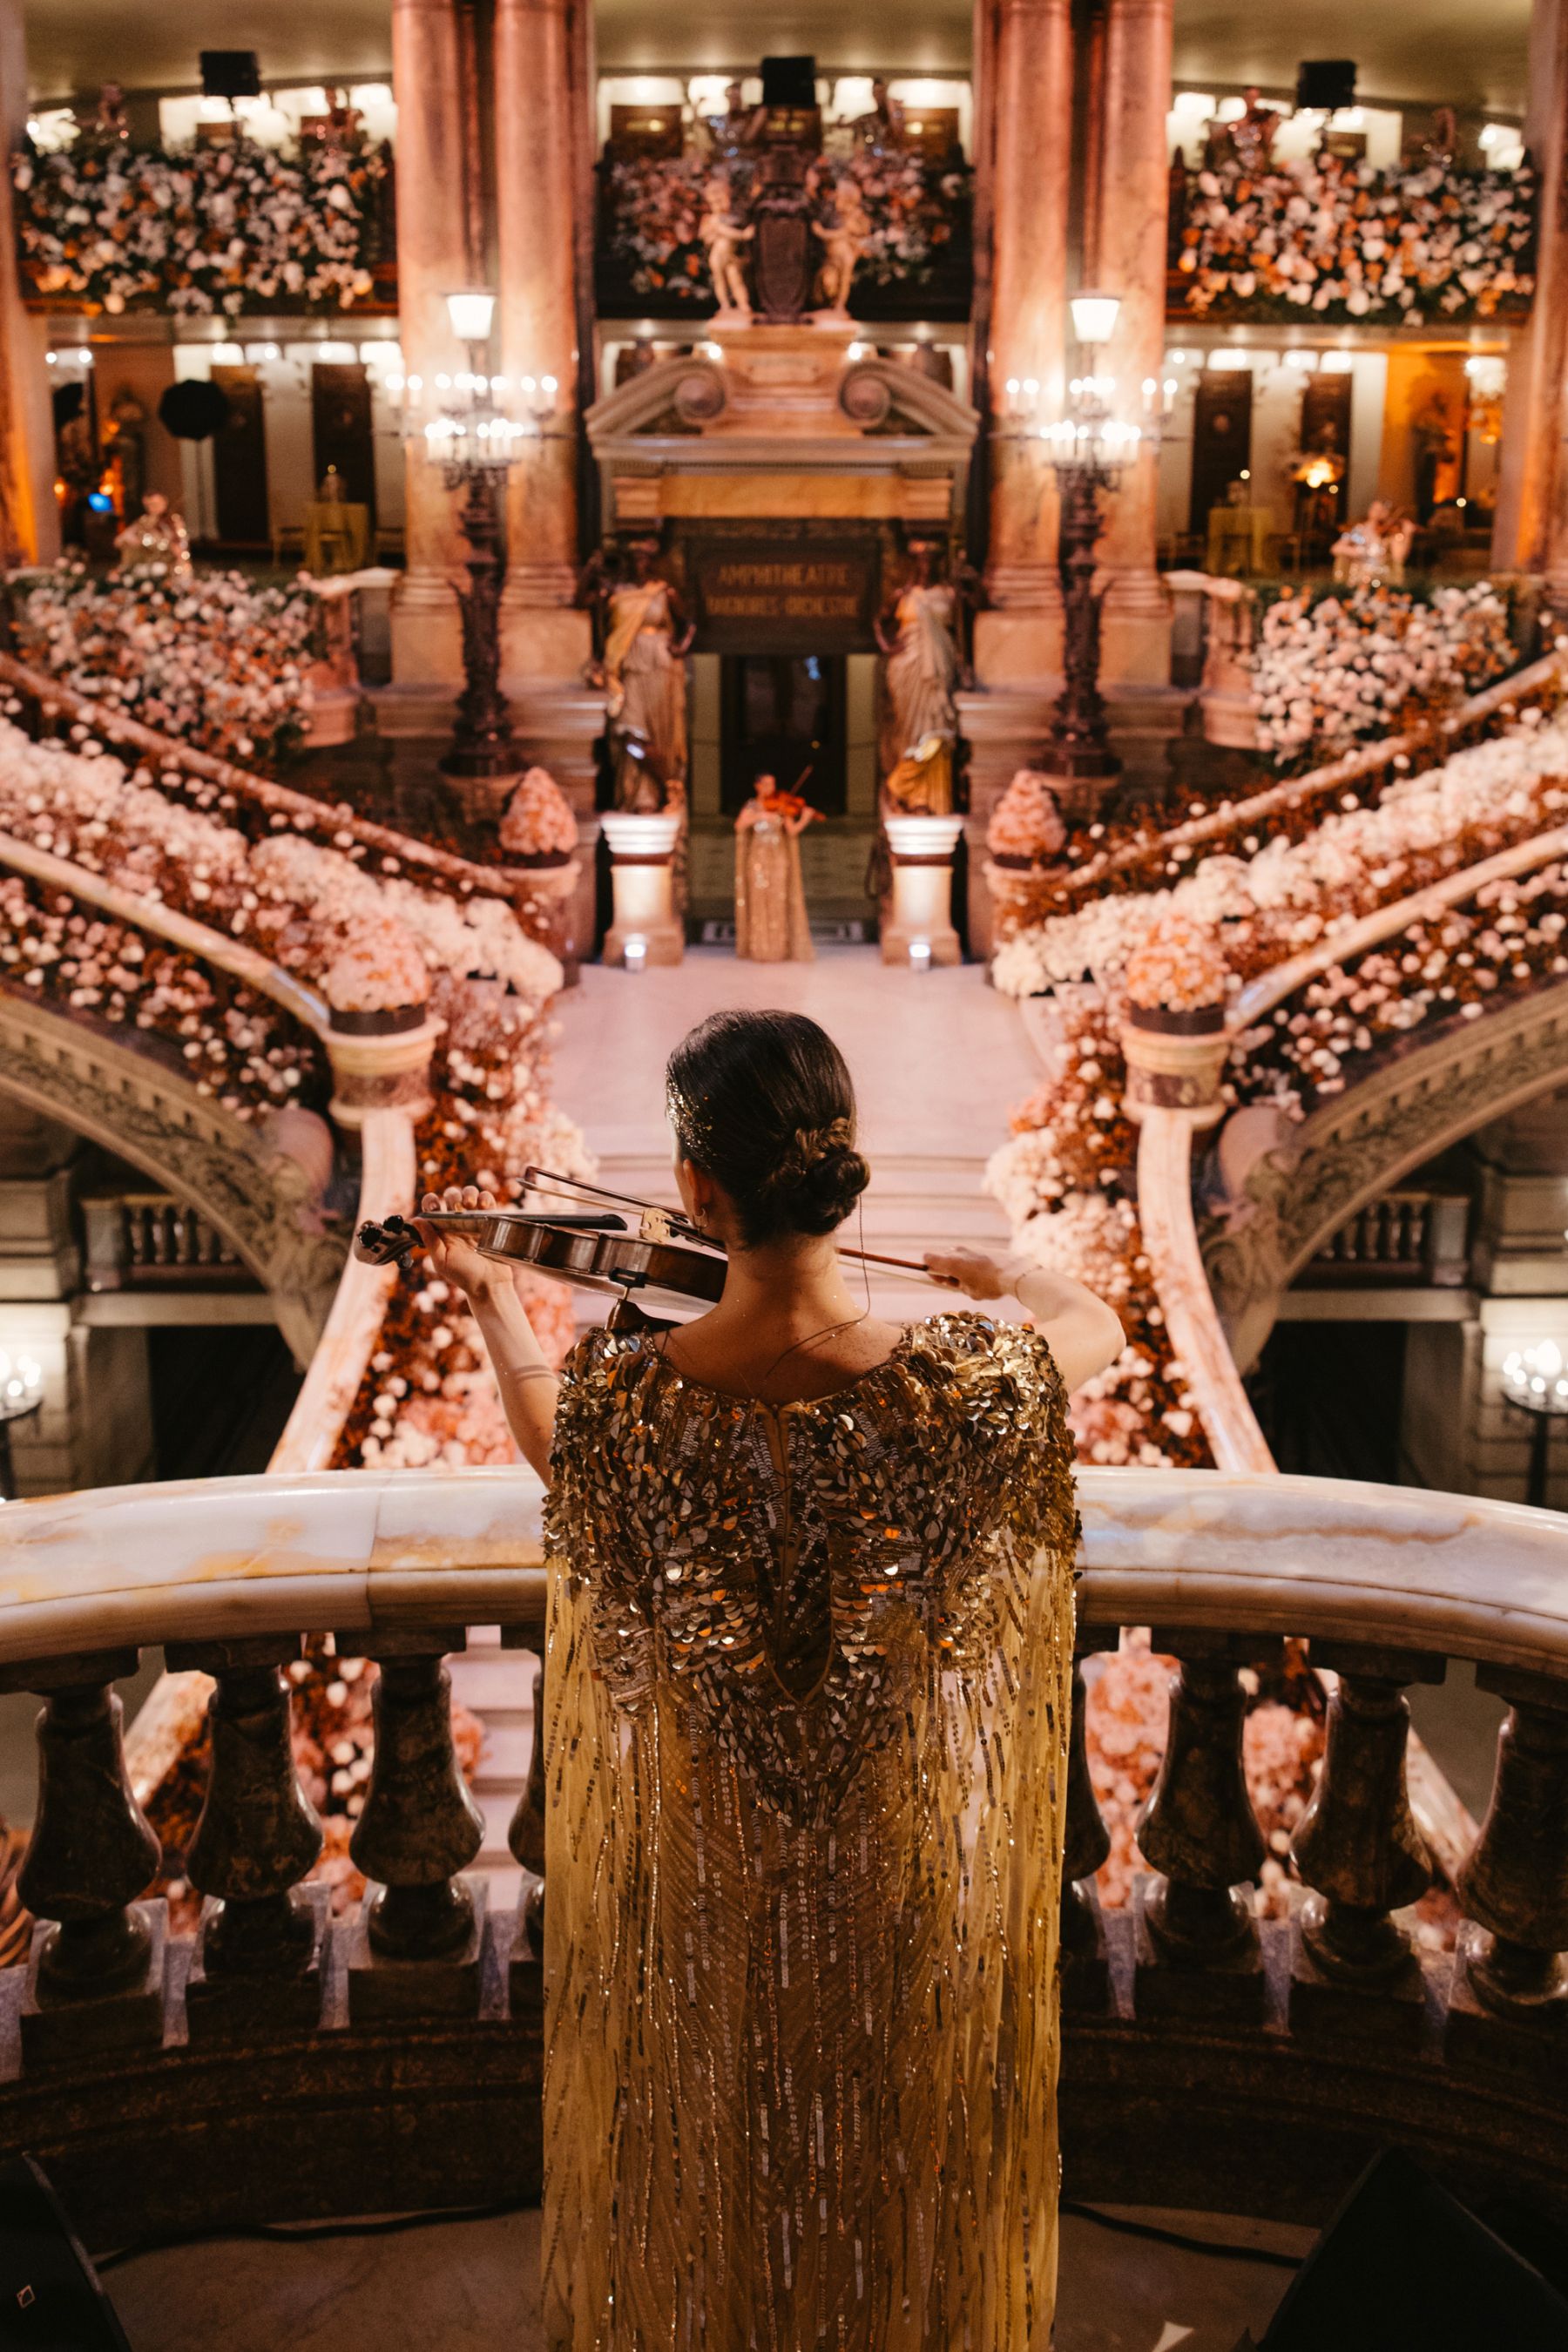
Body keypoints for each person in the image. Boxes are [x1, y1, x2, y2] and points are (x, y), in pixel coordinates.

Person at [415, 1008, 1124, 2351]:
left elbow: (549, 1437)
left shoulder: (627, 1407)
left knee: (716, 2179)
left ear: (695, 1190)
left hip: (708, 1867)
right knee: (897, 2182)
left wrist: (496, 1296)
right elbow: (1093, 1328)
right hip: (902, 1876)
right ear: (842, 1166)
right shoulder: (958, 1394)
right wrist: (1002, 1278)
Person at [733, 768, 821, 961]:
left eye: (772, 784)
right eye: (766, 784)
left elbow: (792, 831)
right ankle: (760, 948)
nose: (770, 788)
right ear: (757, 786)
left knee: (778, 899)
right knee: (759, 900)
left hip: (779, 857)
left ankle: (779, 949)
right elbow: (739, 825)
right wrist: (760, 816)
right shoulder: (752, 805)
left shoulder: (782, 805)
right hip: (758, 858)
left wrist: (805, 818)